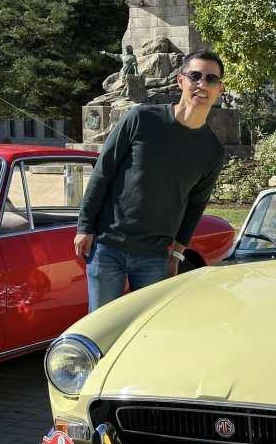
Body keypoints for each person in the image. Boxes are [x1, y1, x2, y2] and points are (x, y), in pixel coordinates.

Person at [74, 49, 226, 312]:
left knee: (145, 332)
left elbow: (195, 206)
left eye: (210, 79)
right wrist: (84, 226)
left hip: (154, 256)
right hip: (107, 246)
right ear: (181, 81)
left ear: (219, 89)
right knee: (101, 329)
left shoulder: (212, 150)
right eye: (195, 76)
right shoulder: (141, 119)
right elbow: (104, 171)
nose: (202, 84)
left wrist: (177, 252)